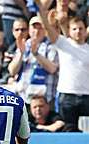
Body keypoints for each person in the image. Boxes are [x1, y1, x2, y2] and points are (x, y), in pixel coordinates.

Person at [35, 0, 89, 132]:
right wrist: (42, 12)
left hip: (86, 96)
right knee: (68, 131)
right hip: (67, 96)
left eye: (81, 28)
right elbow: (48, 28)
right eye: (74, 29)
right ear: (69, 31)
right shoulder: (63, 43)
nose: (78, 32)